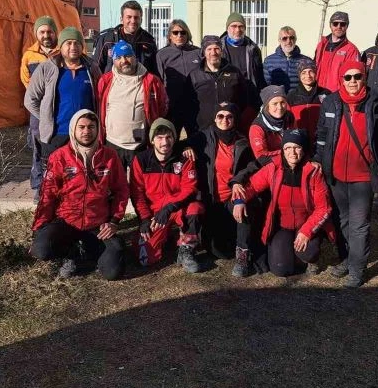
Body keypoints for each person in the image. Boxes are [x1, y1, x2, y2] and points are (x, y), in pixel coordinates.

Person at [315, 61, 378, 288]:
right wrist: (319, 161)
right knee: (344, 221)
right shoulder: (331, 101)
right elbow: (321, 135)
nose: (352, 82)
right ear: (341, 78)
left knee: (359, 224)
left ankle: (357, 269)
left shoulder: (376, 101)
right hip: (336, 174)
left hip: (363, 177)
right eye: (347, 77)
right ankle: (349, 258)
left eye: (357, 76)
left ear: (364, 77)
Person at [30, 110, 127, 280]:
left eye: (91, 127)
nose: (86, 131)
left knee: (113, 272)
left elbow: (121, 191)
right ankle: (72, 253)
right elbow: (48, 194)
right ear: (73, 130)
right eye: (81, 127)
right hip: (67, 221)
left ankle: (90, 251)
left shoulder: (110, 156)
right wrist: (40, 227)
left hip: (98, 224)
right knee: (41, 249)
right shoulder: (59, 157)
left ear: (98, 129)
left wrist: (114, 221)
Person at [232, 129, 335, 277]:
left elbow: (324, 208)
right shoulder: (273, 168)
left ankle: (309, 258)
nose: (292, 152)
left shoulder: (313, 171)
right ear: (283, 150)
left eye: (297, 147)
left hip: (306, 223)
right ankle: (292, 252)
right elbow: (252, 186)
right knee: (281, 269)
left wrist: (306, 231)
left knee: (307, 253)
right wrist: (240, 200)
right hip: (282, 226)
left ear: (303, 149)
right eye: (288, 148)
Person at [184, 103, 256, 277]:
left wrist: (238, 179)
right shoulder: (203, 137)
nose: (225, 120)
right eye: (220, 116)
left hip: (231, 196)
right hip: (209, 198)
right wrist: (186, 148)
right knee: (217, 251)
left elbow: (253, 165)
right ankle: (187, 249)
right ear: (215, 118)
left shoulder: (242, 141)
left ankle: (243, 256)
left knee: (244, 210)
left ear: (235, 119)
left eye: (229, 116)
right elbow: (179, 145)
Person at [129, 118, 204, 273]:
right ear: (152, 140)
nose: (165, 142)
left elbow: (189, 189)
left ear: (174, 138)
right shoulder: (141, 160)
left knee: (195, 208)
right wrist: (143, 219)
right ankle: (167, 237)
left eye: (168, 137)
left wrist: (170, 207)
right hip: (154, 212)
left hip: (176, 207)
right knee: (146, 260)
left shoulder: (184, 158)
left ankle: (186, 249)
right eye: (159, 137)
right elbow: (137, 194)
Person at [24, 27, 101, 162]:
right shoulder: (47, 68)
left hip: (84, 135)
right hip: (56, 134)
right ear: (60, 46)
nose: (73, 47)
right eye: (68, 43)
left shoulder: (91, 68)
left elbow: (100, 98)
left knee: (83, 177)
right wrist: (46, 118)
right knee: (55, 177)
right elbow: (30, 99)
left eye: (77, 43)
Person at [97, 40, 168, 172]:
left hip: (140, 146)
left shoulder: (151, 81)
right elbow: (99, 107)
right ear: (113, 61)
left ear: (135, 57)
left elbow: (162, 108)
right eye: (118, 57)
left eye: (127, 55)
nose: (124, 60)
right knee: (115, 187)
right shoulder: (105, 81)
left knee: (140, 187)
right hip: (113, 144)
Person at [20, 15, 58, 202]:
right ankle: (39, 185)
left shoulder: (62, 52)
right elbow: (26, 80)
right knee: (38, 146)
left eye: (49, 31)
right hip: (38, 110)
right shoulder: (29, 55)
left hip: (59, 106)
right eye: (42, 32)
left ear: (55, 33)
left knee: (58, 144)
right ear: (37, 34)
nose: (46, 35)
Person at [187, 35, 248, 134]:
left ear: (222, 51)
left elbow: (244, 100)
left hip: (229, 128)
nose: (213, 53)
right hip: (203, 130)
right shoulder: (194, 75)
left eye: (217, 49)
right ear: (204, 52)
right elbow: (188, 106)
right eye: (209, 49)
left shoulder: (234, 72)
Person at [156, 19, 201, 136]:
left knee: (197, 138)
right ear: (170, 35)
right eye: (175, 33)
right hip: (173, 105)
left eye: (183, 32)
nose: (179, 35)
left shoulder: (197, 52)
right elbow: (159, 80)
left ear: (188, 34)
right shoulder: (162, 54)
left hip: (195, 104)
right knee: (171, 138)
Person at [93, 0, 158, 74]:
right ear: (121, 19)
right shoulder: (106, 39)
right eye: (129, 17)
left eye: (136, 17)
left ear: (141, 20)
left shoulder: (148, 41)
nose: (133, 21)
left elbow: (155, 71)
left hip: (141, 84)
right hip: (114, 84)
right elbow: (95, 69)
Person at [220, 12, 266, 109]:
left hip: (249, 100)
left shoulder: (253, 49)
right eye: (234, 26)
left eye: (241, 26)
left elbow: (259, 75)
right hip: (226, 100)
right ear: (227, 28)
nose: (237, 30)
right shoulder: (218, 48)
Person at [313, 11, 361, 92]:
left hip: (336, 95)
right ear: (330, 25)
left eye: (342, 24)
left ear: (347, 26)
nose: (339, 27)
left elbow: (353, 77)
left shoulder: (351, 50)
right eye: (335, 23)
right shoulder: (321, 45)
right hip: (318, 92)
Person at [287, 58, 330, 144]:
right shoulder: (291, 96)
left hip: (321, 140)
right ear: (299, 75)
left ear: (315, 73)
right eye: (303, 72)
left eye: (311, 71)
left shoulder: (326, 94)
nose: (308, 76)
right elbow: (288, 122)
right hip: (299, 141)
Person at [250, 85, 296, 161]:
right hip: (271, 167)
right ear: (267, 106)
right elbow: (261, 157)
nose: (280, 107)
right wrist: (286, 154)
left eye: (282, 102)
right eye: (275, 104)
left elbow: (296, 140)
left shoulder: (289, 117)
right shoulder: (257, 127)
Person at [263, 26, 309, 92]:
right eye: (284, 38)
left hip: (298, 100)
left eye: (292, 38)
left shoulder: (305, 61)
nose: (288, 41)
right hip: (278, 100)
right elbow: (267, 85)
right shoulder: (269, 61)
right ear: (279, 40)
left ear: (295, 39)